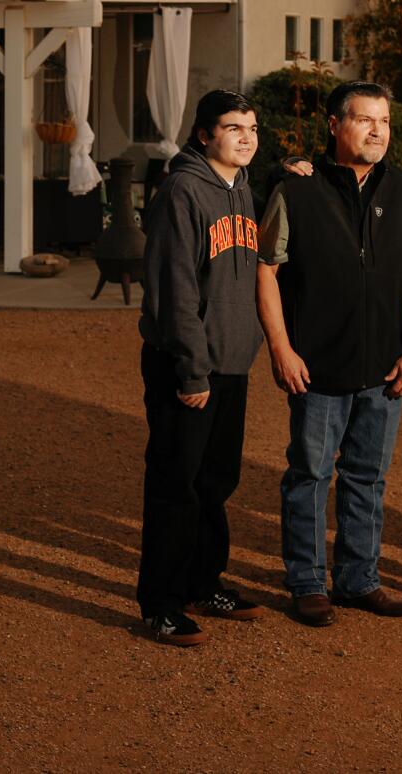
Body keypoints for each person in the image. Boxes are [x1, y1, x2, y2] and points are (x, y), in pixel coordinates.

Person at [258, 82, 402, 627]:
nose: (377, 130)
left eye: (383, 121)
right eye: (364, 120)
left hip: (386, 366)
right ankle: (308, 582)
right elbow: (267, 270)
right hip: (316, 364)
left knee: (368, 477)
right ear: (335, 125)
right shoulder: (297, 190)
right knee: (310, 474)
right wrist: (281, 349)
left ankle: (359, 581)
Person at [135, 88, 266, 647]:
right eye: (233, 128)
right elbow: (175, 289)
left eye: (253, 129)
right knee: (175, 486)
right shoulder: (183, 192)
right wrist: (192, 371)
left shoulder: (242, 189)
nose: (245, 138)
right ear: (204, 134)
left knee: (215, 483)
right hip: (187, 366)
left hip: (231, 362)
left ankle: (202, 581)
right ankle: (160, 603)